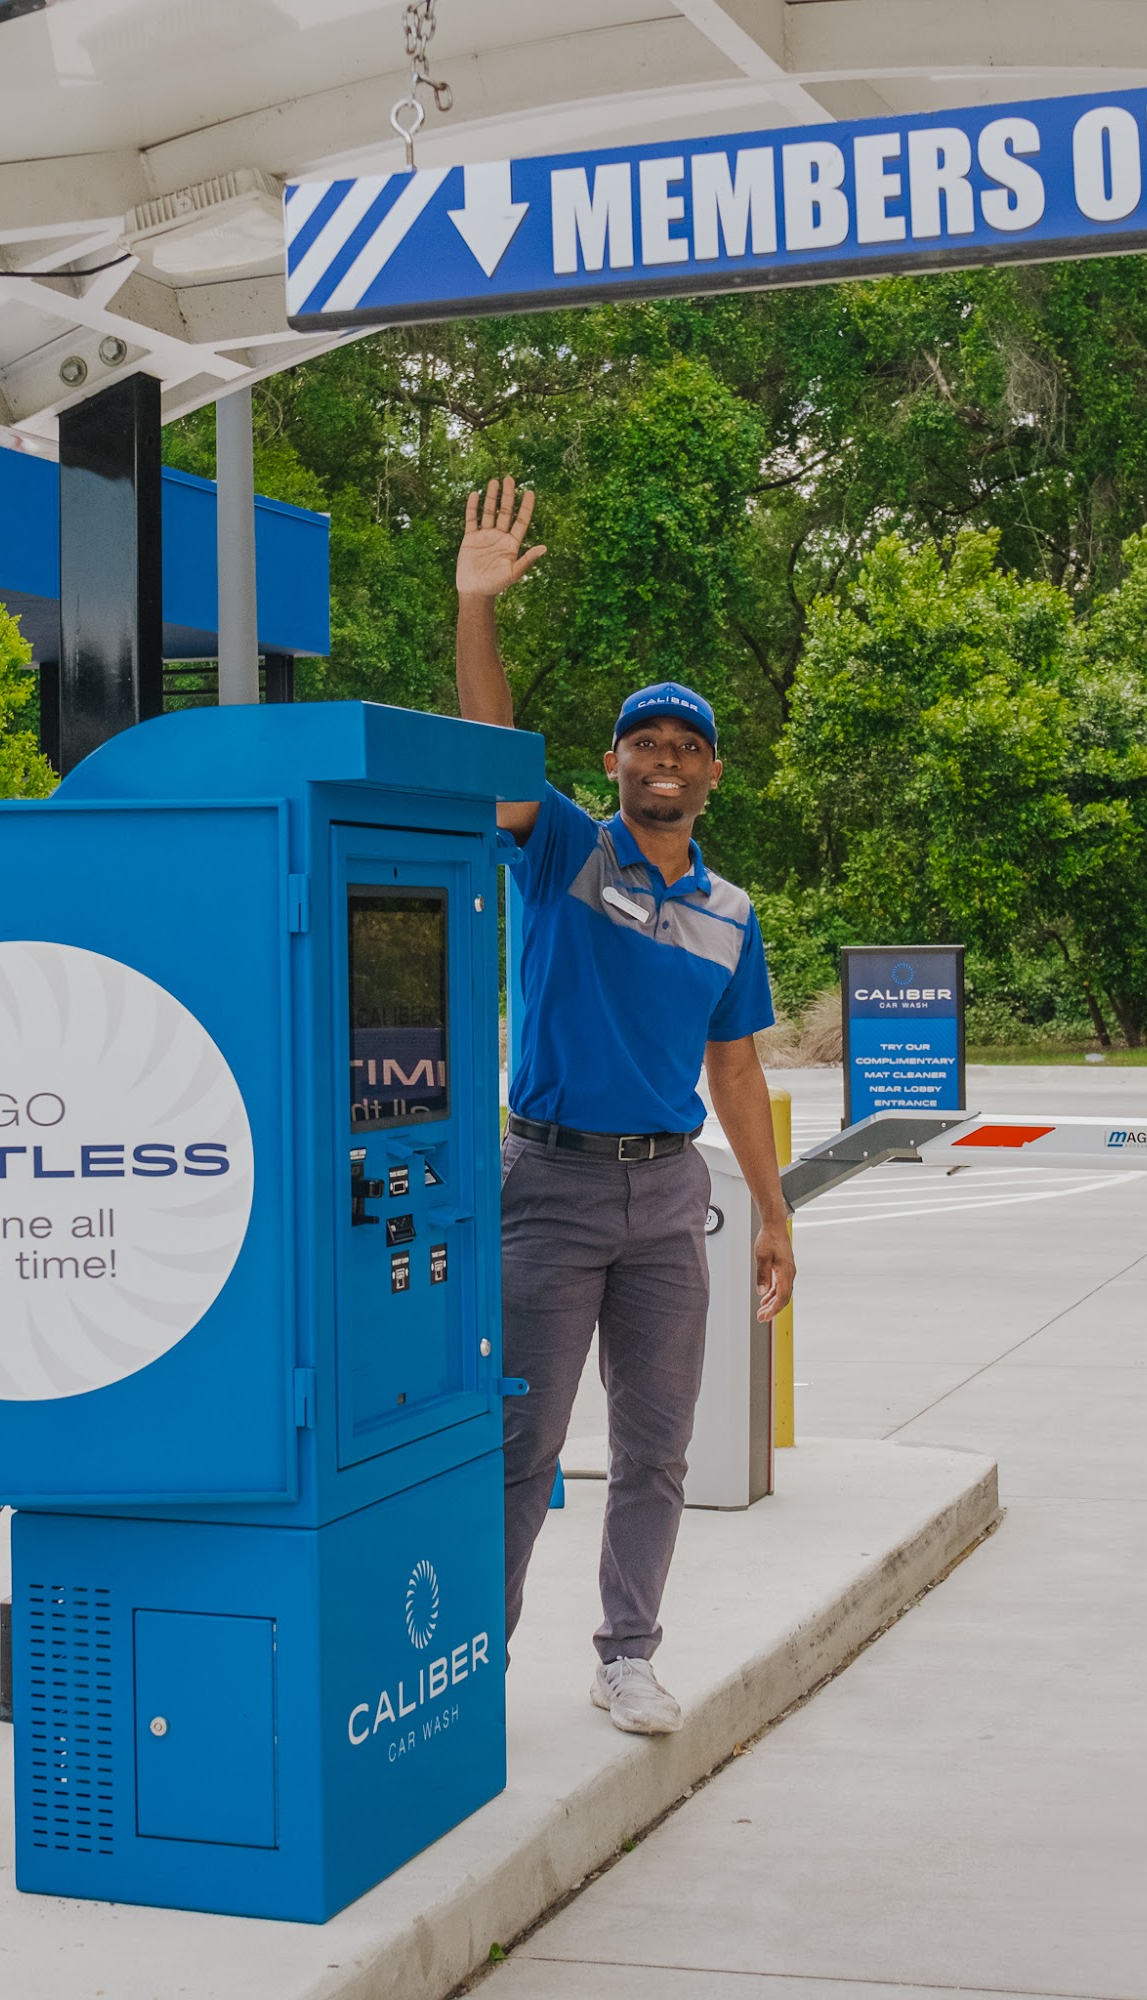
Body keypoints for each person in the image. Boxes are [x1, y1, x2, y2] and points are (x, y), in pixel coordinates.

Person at [454, 475, 796, 1736]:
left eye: (685, 745)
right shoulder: (558, 849)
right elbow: (491, 752)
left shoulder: (730, 911)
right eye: (642, 743)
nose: (663, 758)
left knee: (655, 1447)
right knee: (519, 1447)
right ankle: (468, 1665)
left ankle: (627, 1653)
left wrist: (770, 1210)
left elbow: (739, 1067)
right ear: (613, 765)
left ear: (710, 772)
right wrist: (475, 607)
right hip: (542, 1183)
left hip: (668, 1195)